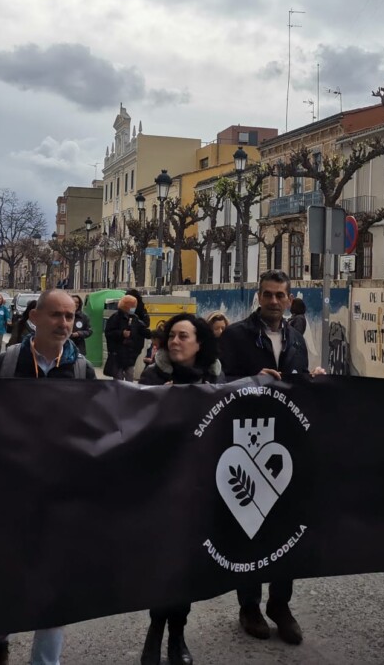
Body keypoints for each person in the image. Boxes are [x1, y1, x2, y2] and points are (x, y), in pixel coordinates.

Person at [0, 289, 95, 665]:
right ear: (35, 318)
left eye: (70, 316)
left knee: (56, 583)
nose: (64, 323)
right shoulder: (3, 366)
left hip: (60, 497)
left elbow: (100, 432)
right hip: (10, 495)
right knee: (5, 573)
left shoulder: (83, 372)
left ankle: (45, 662)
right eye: (56, 315)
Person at [217, 269, 314, 645]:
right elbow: (222, 381)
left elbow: (300, 380)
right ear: (258, 297)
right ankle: (249, 606)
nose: (274, 301)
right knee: (251, 528)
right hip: (246, 439)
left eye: (280, 295)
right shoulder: (238, 334)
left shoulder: (296, 337)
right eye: (268, 294)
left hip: (286, 442)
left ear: (289, 299)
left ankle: (280, 604)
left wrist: (311, 380)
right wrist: (254, 379)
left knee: (286, 527)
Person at [137, 312, 223, 665]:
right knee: (163, 564)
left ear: (199, 343)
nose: (174, 341)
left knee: (186, 566)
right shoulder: (152, 375)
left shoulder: (215, 377)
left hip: (199, 487)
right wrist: (160, 404)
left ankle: (177, 635)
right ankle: (154, 631)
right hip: (160, 487)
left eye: (183, 336)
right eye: (171, 335)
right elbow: (134, 424)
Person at [104, 293, 150, 382]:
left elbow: (142, 329)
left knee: (130, 376)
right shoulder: (115, 318)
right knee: (118, 378)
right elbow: (109, 333)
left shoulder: (134, 318)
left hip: (130, 354)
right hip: (118, 354)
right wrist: (122, 334)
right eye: (132, 306)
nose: (133, 308)